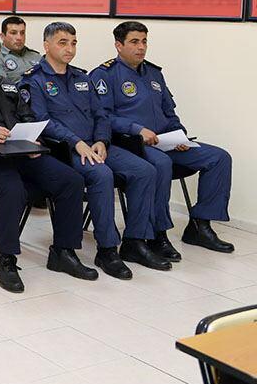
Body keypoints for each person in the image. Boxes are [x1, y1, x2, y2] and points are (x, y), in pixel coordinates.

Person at [0, 30, 97, 293]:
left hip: (18, 152)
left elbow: (26, 115)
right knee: (12, 188)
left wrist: (31, 139)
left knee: (71, 180)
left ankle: (63, 252)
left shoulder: (4, 84)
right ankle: (7, 260)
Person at [20, 22, 170, 279]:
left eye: (73, 43)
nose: (70, 49)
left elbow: (101, 114)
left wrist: (102, 140)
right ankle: (107, 249)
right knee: (102, 175)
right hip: (65, 149)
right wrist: (76, 142)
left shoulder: (82, 77)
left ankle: (135, 241)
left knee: (144, 170)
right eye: (63, 43)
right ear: (46, 45)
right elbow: (44, 122)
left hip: (95, 145)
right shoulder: (33, 80)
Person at [91, 21, 234, 256]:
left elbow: (169, 112)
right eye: (134, 42)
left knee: (219, 158)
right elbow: (103, 116)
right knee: (161, 163)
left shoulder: (154, 73)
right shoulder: (104, 75)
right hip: (131, 144)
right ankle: (158, 234)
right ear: (118, 45)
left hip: (166, 141)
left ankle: (200, 226)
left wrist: (180, 134)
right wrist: (137, 129)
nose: (141, 47)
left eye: (144, 41)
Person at [0, 16, 41, 84]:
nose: (19, 38)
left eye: (22, 33)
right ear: (2, 36)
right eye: (13, 33)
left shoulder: (36, 56)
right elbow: (3, 86)